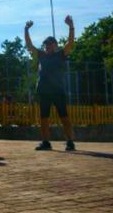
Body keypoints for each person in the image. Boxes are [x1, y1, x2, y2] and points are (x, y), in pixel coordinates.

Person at [25, 16, 76, 151]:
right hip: (43, 92)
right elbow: (29, 46)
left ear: (55, 45)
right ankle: (46, 142)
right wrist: (26, 30)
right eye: (46, 44)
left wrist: (71, 26)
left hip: (58, 91)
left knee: (64, 117)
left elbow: (70, 43)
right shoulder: (41, 55)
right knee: (44, 118)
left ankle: (70, 142)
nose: (47, 46)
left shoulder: (60, 54)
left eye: (50, 44)